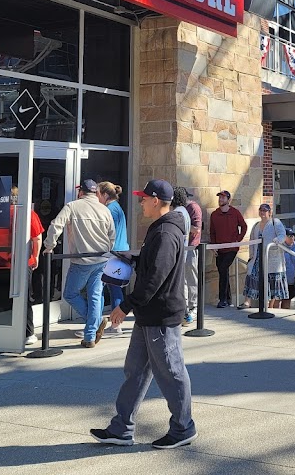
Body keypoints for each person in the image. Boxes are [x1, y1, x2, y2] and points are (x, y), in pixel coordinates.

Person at [91, 179, 196, 449]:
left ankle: (183, 428)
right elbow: (153, 266)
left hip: (161, 316)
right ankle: (121, 429)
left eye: (143, 198)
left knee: (171, 372)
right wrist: (133, 259)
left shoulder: (165, 232)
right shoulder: (160, 229)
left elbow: (155, 279)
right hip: (148, 314)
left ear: (156, 201)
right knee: (135, 371)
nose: (140, 202)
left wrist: (125, 306)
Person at [44, 179, 116, 348]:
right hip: (102, 259)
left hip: (82, 260)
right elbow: (112, 235)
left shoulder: (72, 206)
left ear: (81, 192)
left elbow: (56, 226)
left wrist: (49, 246)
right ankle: (90, 335)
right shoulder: (104, 210)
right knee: (95, 295)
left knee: (70, 294)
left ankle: (95, 324)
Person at [11, 186, 44, 346]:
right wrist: (36, 256)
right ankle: (28, 332)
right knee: (24, 298)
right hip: (23, 261)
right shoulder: (28, 214)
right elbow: (37, 237)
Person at [239, 204, 287, 309]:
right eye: (260, 210)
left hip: (272, 257)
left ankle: (269, 305)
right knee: (251, 277)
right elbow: (252, 241)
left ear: (269, 212)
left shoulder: (275, 222)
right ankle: (247, 302)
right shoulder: (256, 225)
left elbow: (282, 235)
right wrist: (251, 254)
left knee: (270, 281)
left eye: (265, 210)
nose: (262, 212)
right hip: (257, 257)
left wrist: (277, 241)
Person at [98, 181, 129, 338]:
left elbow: (108, 233)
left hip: (113, 253)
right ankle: (115, 324)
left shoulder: (110, 209)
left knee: (109, 288)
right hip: (121, 252)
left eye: (98, 194)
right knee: (115, 288)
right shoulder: (117, 208)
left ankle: (113, 325)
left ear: (104, 195)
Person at [208, 190, 246, 308]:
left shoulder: (235, 212)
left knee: (223, 268)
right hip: (219, 248)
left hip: (232, 248)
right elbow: (212, 232)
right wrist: (214, 246)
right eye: (219, 198)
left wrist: (237, 240)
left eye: (223, 198)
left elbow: (243, 226)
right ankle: (228, 299)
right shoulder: (214, 214)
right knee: (223, 272)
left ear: (228, 200)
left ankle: (222, 299)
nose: (220, 200)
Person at [173, 187, 202, 325]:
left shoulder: (193, 208)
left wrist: (182, 226)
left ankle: (193, 307)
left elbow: (196, 229)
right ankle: (184, 309)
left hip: (191, 247)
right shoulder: (181, 209)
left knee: (191, 279)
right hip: (182, 248)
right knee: (182, 280)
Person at [280, 229, 295, 309]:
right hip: (284, 279)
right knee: (282, 299)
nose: (292, 238)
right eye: (289, 236)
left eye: (293, 236)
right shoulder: (280, 248)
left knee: (293, 298)